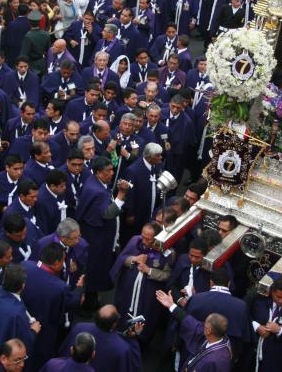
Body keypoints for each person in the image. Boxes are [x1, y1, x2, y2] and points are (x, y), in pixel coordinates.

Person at [77, 157, 131, 310]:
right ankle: (88, 306)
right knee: (94, 270)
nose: (112, 173)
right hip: (96, 239)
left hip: (94, 235)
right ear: (99, 172)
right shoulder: (97, 191)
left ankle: (92, 299)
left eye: (112, 169)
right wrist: (121, 194)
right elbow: (108, 214)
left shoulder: (94, 182)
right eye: (109, 171)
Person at [22, 242, 85, 368]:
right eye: (63, 261)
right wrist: (79, 288)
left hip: (23, 322)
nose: (64, 264)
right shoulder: (59, 287)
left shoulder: (25, 266)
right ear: (56, 263)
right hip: (46, 329)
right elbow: (72, 302)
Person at [110, 223, 171, 341]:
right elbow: (122, 258)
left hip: (148, 294)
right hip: (128, 289)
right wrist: (134, 259)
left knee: (146, 316)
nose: (143, 241)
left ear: (156, 238)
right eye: (143, 236)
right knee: (123, 310)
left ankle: (140, 342)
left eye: (148, 239)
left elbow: (167, 275)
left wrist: (149, 271)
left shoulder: (167, 252)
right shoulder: (135, 241)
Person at [155, 289, 233, 371]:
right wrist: (171, 305)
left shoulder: (217, 360)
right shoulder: (217, 337)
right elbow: (191, 323)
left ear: (209, 331)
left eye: (204, 324)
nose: (202, 325)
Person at [0, 263, 42, 363]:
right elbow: (23, 342)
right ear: (23, 285)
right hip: (6, 357)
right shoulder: (17, 313)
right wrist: (34, 331)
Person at [58, 305, 143, 372]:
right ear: (114, 324)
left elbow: (63, 353)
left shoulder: (79, 328)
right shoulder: (122, 349)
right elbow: (133, 366)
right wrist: (132, 339)